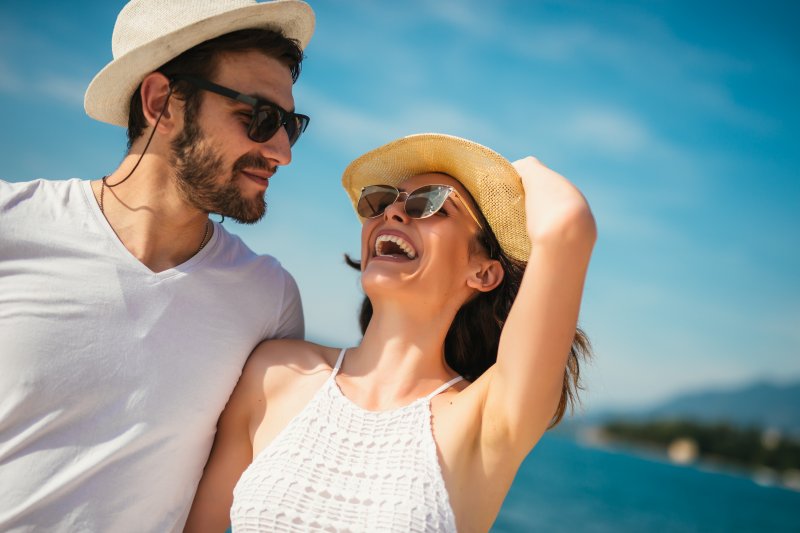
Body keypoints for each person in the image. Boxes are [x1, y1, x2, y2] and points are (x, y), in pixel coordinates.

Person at [0, 1, 315, 531]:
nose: (282, 151)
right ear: (161, 103)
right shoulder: (11, 226)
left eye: (291, 125)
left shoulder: (270, 300)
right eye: (260, 119)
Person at [185, 133, 597, 532]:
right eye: (380, 201)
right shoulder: (275, 371)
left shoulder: (484, 420)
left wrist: (518, 169)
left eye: (431, 204)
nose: (392, 213)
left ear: (484, 272)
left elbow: (567, 225)